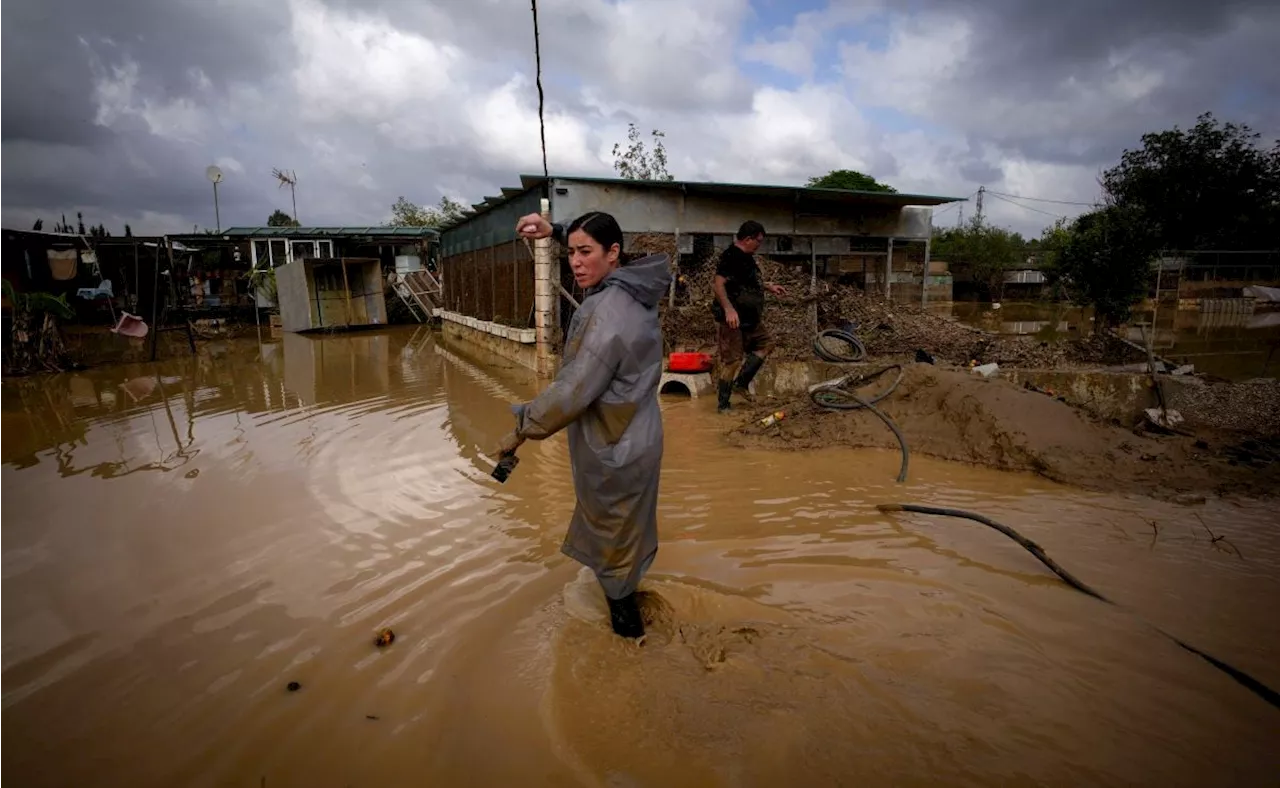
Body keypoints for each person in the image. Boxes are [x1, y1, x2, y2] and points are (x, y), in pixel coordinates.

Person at [497, 211, 672, 640]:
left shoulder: (606, 312)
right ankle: (630, 618)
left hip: (616, 450)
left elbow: (572, 391)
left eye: (585, 252)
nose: (574, 262)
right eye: (570, 252)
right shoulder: (634, 291)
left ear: (614, 253)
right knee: (623, 543)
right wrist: (553, 230)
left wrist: (521, 429)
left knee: (614, 560)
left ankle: (628, 658)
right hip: (637, 435)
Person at [711, 220, 786, 411]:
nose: (759, 245)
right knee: (733, 360)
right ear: (747, 239)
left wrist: (769, 286)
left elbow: (749, 281)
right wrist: (728, 309)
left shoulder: (747, 257)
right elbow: (718, 284)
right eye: (758, 241)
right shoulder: (731, 257)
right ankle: (723, 405)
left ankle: (742, 383)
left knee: (766, 344)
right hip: (733, 319)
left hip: (750, 318)